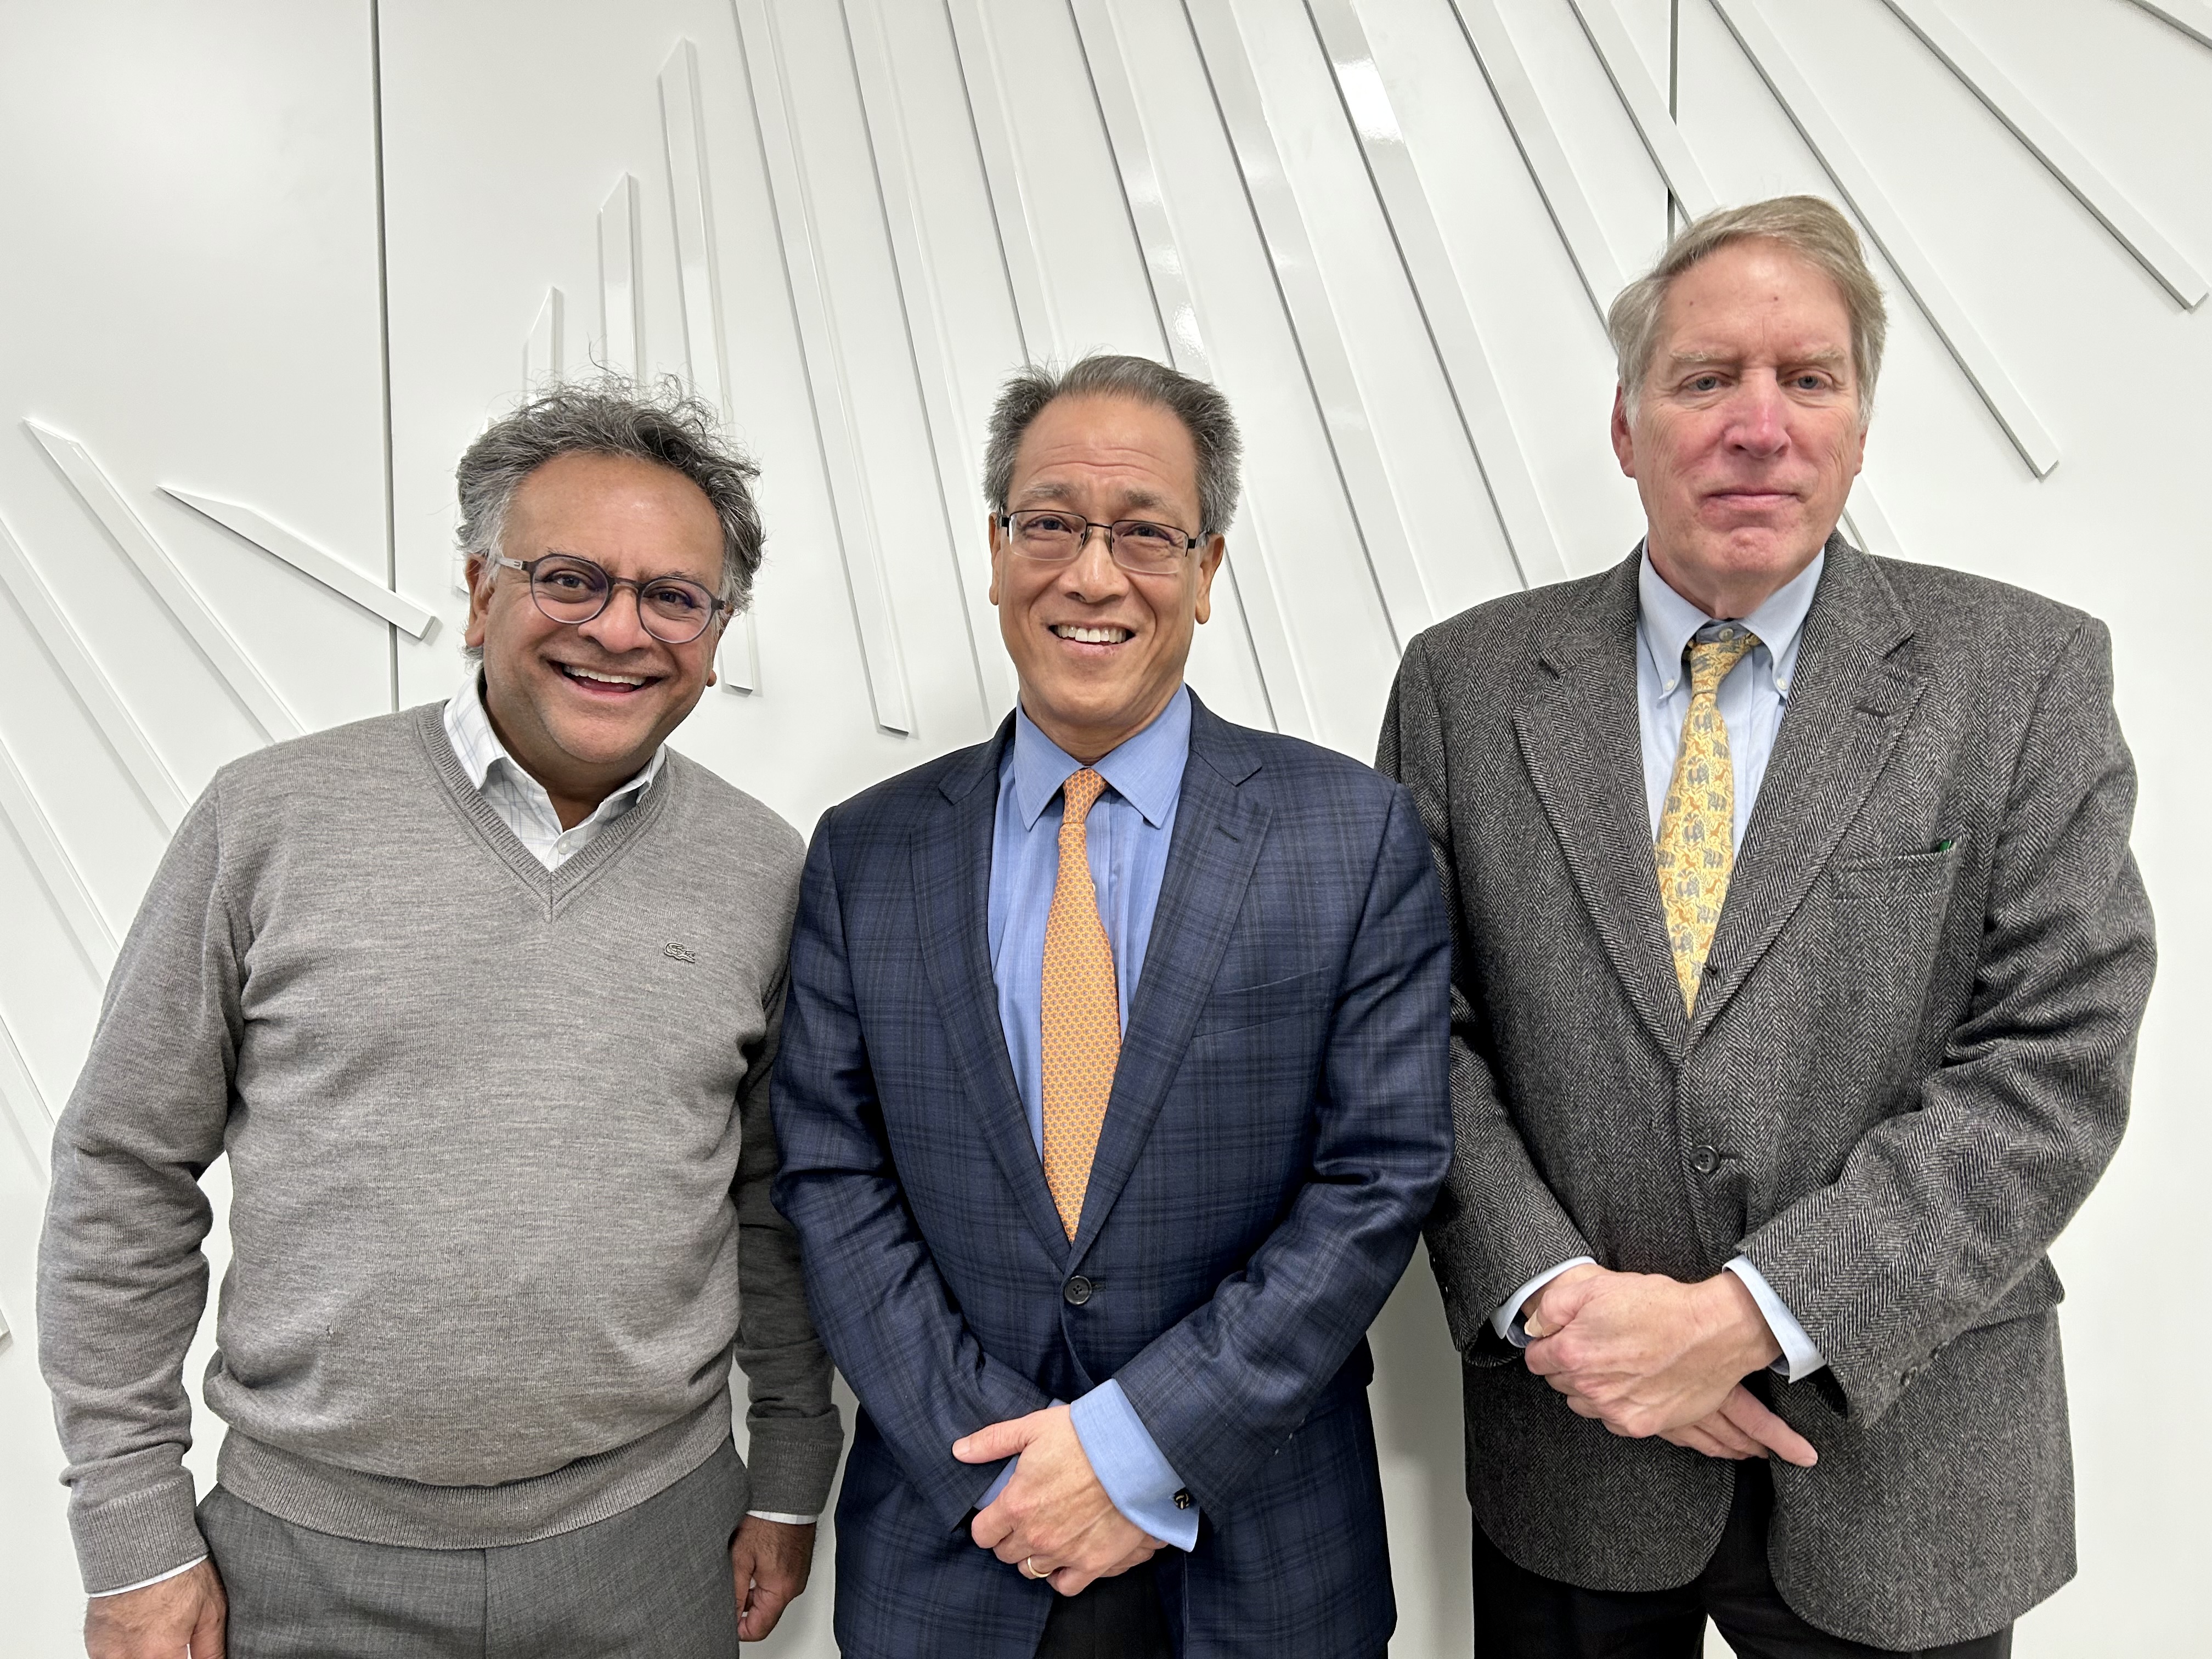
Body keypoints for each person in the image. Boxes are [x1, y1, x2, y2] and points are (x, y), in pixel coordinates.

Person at [1379, 195, 2157, 1657]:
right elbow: (1413, 1032)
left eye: (1808, 379)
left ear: (1860, 427)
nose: (1758, 427)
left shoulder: (2024, 677)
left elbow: (2055, 1061)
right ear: (1627, 427)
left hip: (1906, 1466)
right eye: (1704, 379)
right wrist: (1561, 1309)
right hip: (1577, 1448)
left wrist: (1752, 1316)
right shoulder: (1463, 687)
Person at [38, 381, 842, 1659]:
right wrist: (134, 1533)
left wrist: (794, 1466)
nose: (619, 629)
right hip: (301, 1564)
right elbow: (124, 1170)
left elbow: (772, 1197)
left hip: (656, 1549)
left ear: (717, 629)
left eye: (672, 597)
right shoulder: (270, 822)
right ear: (479, 591)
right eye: (570, 579)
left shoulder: (762, 870)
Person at [770, 352, 1453, 1658]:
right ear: (995, 551)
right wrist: (1008, 1468)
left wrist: (1138, 1449)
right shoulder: (867, 851)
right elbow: (829, 1172)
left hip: (1262, 1549)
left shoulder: (1352, 834)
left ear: (1207, 568)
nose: (1092, 575)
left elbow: (1380, 1175)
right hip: (958, 1539)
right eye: (1050, 524)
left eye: (1144, 533)